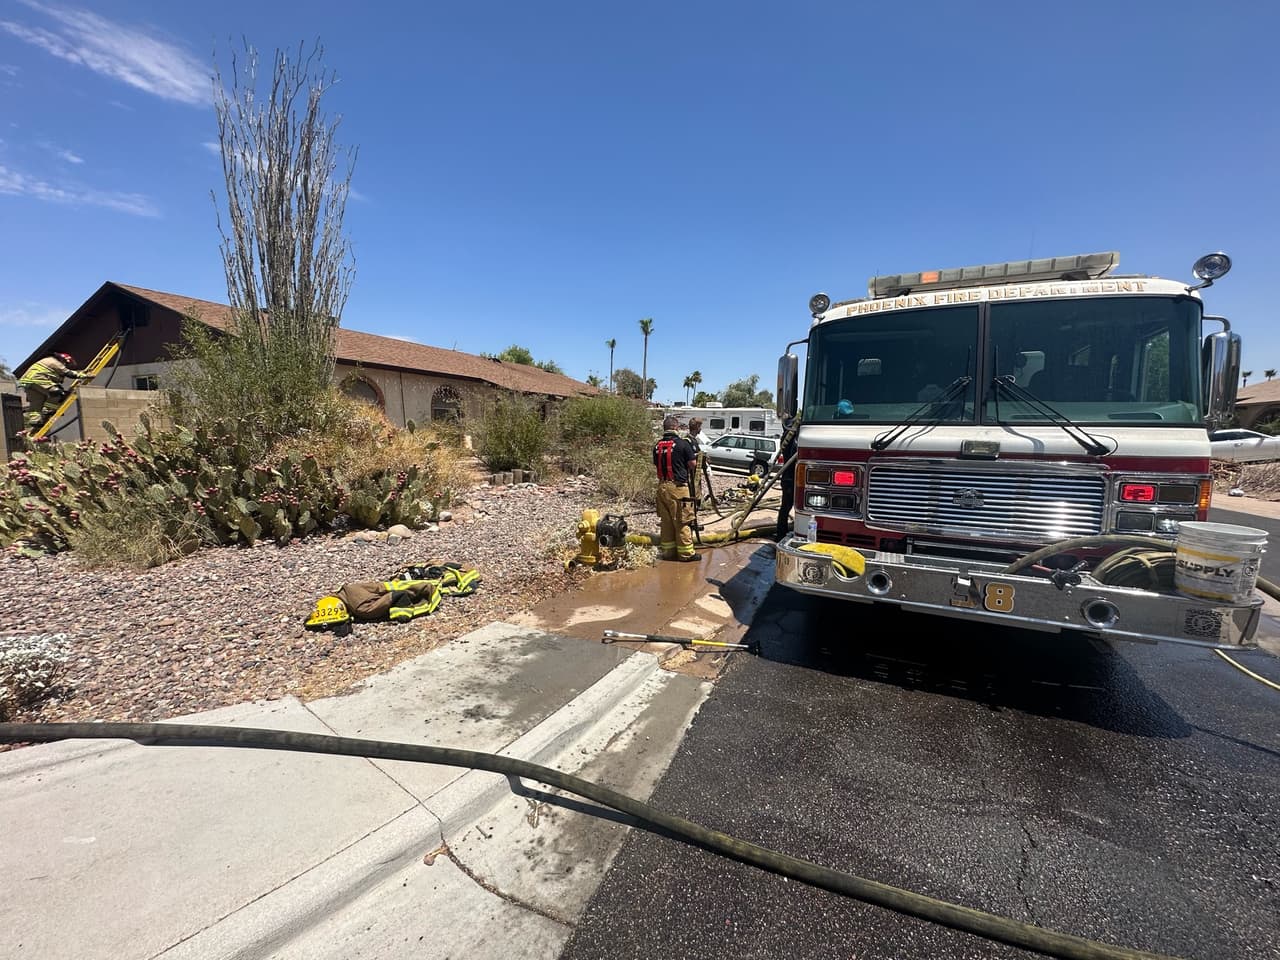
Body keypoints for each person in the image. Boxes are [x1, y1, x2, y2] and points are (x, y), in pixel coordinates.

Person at [653, 415, 700, 562]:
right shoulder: (682, 444)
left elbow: (656, 464)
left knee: (666, 522)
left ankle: (668, 552)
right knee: (682, 520)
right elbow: (693, 464)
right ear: (676, 427)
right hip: (678, 488)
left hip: (662, 487)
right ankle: (686, 554)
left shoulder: (657, 446)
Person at [17, 352, 85, 429]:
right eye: (66, 363)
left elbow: (52, 375)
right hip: (38, 379)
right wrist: (82, 375)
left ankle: (35, 421)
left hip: (28, 383)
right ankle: (48, 410)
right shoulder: (54, 362)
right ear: (63, 360)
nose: (65, 365)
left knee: (37, 402)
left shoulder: (46, 361)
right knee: (56, 393)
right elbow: (68, 373)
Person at [776, 415, 798, 540]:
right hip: (790, 478)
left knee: (786, 507)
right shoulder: (790, 438)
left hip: (789, 477)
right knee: (787, 507)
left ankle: (781, 533)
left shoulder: (785, 437)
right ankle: (781, 534)